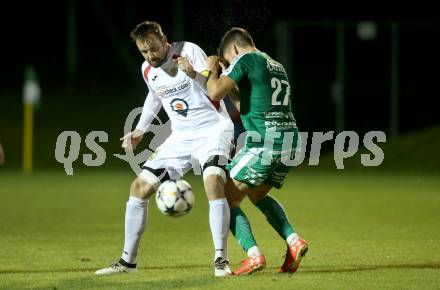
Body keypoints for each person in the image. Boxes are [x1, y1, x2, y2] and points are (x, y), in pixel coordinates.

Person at [95, 21, 234, 277]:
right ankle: (127, 263)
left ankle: (221, 261)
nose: (150, 56)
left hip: (213, 129)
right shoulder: (148, 69)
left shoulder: (189, 50)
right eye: (144, 52)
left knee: (213, 181)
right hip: (180, 137)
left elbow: (214, 92)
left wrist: (193, 73)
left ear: (164, 40)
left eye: (154, 49)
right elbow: (155, 96)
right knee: (139, 187)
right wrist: (140, 129)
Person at [206, 27, 308, 275]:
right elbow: (246, 107)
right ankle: (294, 241)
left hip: (265, 142)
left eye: (229, 61)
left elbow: (213, 92)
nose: (231, 67)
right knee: (257, 195)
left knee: (224, 200)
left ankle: (253, 255)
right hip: (290, 142)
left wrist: (213, 70)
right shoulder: (274, 64)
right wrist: (231, 85)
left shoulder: (245, 59)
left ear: (235, 50)